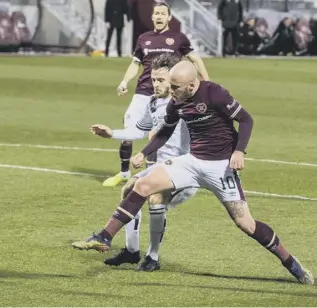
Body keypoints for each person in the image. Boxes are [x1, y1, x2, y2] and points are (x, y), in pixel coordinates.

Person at [72, 61, 314, 285]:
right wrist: (144, 154)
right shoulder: (176, 101)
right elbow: (165, 132)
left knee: (245, 223)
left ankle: (290, 262)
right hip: (191, 161)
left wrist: (239, 151)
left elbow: (246, 120)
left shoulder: (214, 93)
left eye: (176, 87)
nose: (172, 90)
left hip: (221, 167)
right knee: (142, 185)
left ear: (191, 84)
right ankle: (105, 236)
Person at [88, 54, 197, 271]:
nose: (155, 84)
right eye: (153, 80)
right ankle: (131, 251)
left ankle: (153, 258)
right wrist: (111, 133)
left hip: (184, 171)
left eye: (161, 80)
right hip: (159, 169)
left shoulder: (186, 106)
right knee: (129, 190)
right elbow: (139, 129)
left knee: (155, 197)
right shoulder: (153, 103)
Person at [102, 2, 209, 188]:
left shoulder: (178, 38)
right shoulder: (144, 38)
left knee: (159, 135)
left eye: (162, 14)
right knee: (128, 132)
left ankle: (163, 175)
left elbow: (195, 59)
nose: (158, 16)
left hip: (169, 95)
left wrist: (206, 83)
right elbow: (135, 64)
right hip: (143, 92)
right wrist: (124, 81)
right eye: (156, 13)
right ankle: (125, 173)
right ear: (152, 17)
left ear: (169, 17)